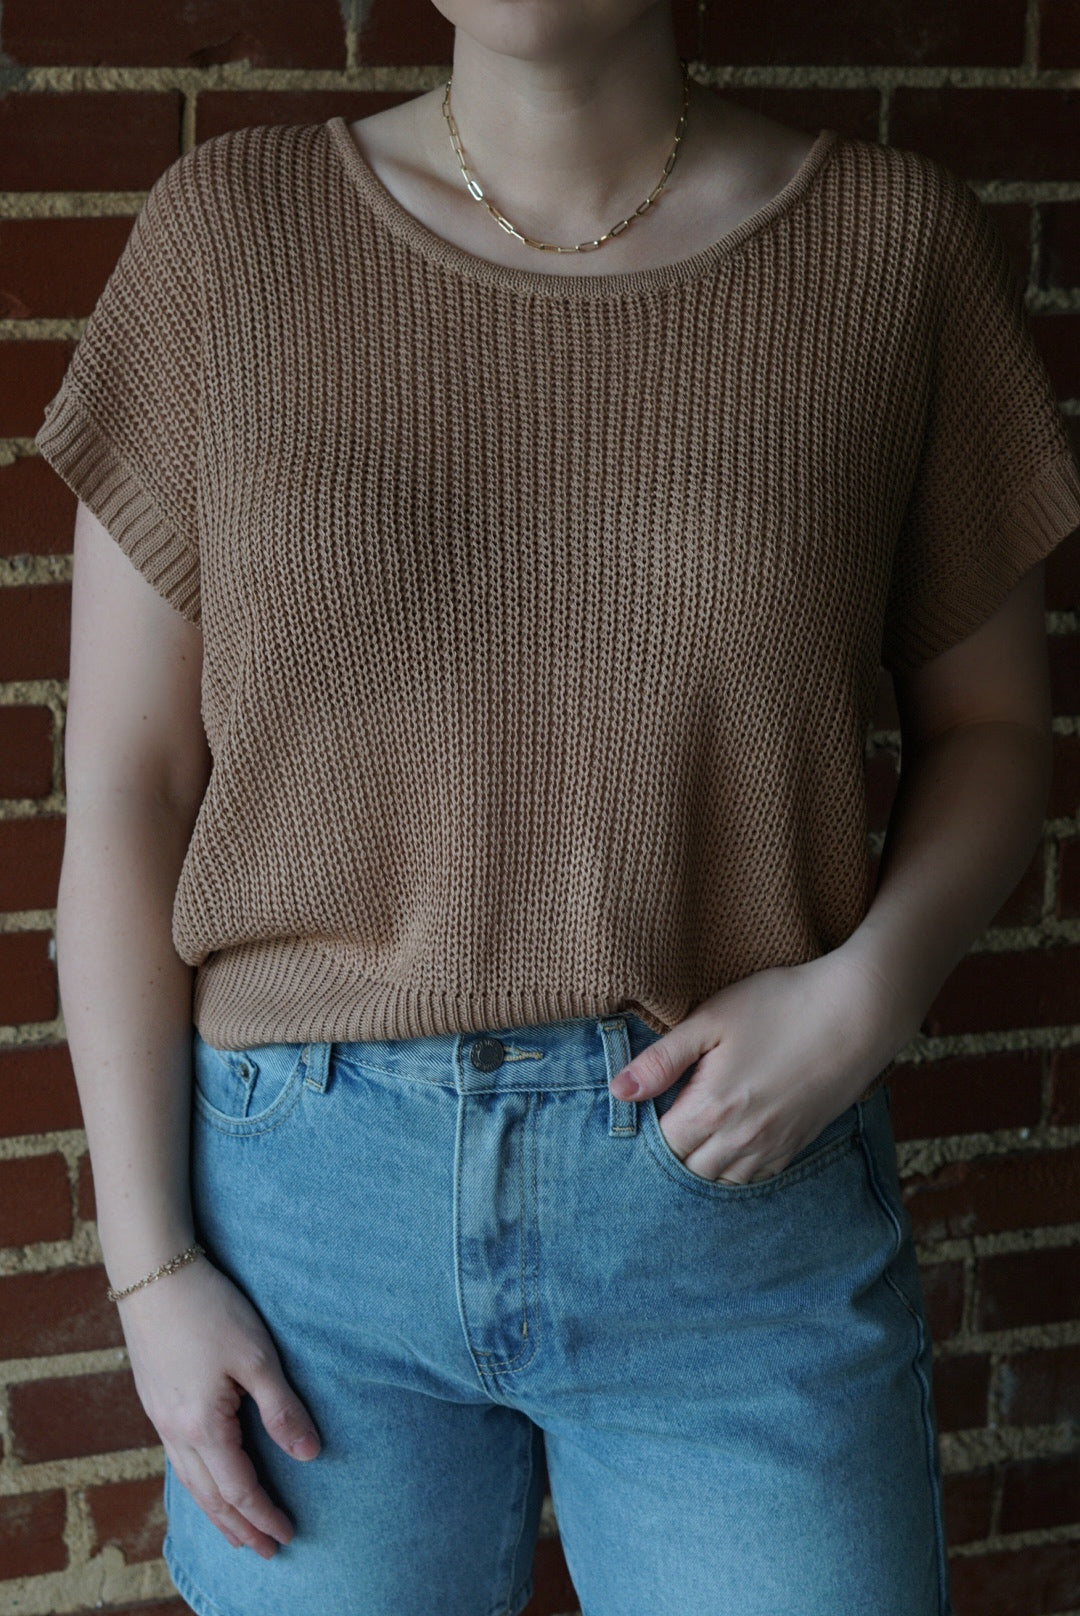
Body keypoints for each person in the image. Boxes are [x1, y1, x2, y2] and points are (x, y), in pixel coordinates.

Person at [33, 2, 1080, 1614]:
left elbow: (996, 728)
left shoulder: (890, 251)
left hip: (733, 1204)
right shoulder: (228, 241)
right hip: (308, 1232)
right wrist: (149, 1271)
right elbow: (124, 788)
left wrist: (865, 997)